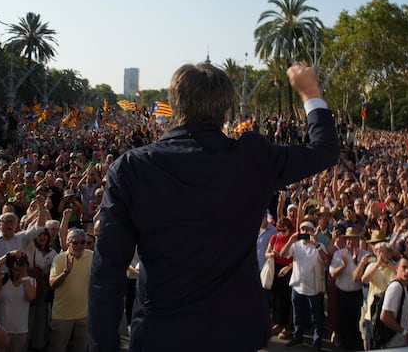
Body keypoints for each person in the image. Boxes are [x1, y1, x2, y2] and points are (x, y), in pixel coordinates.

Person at [89, 62, 340, 352]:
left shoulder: (132, 168)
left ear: (175, 106)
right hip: (236, 335)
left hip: (161, 335)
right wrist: (309, 92)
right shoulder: (252, 159)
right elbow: (324, 150)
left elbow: (106, 272)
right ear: (226, 112)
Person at [279, 220, 329, 350]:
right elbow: (282, 254)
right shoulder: (295, 245)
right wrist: (290, 240)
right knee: (297, 315)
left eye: (308, 230)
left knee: (316, 317)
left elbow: (325, 260)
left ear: (312, 232)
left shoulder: (319, 245)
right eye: (303, 230)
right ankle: (298, 337)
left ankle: (317, 341)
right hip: (297, 286)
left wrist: (317, 245)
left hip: (313, 289)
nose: (305, 232)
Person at [48, 228, 92, 352]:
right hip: (62, 315)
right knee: (57, 348)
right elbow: (52, 284)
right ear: (68, 243)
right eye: (75, 242)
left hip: (84, 315)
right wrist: (66, 272)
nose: (79, 246)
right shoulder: (59, 259)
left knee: (81, 348)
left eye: (82, 242)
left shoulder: (91, 256)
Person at [380, 255, 408, 348]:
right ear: (396, 268)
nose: (407, 271)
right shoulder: (396, 287)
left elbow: (399, 312)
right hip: (394, 344)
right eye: (404, 267)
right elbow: (385, 316)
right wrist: (404, 333)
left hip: (400, 343)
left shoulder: (402, 287)